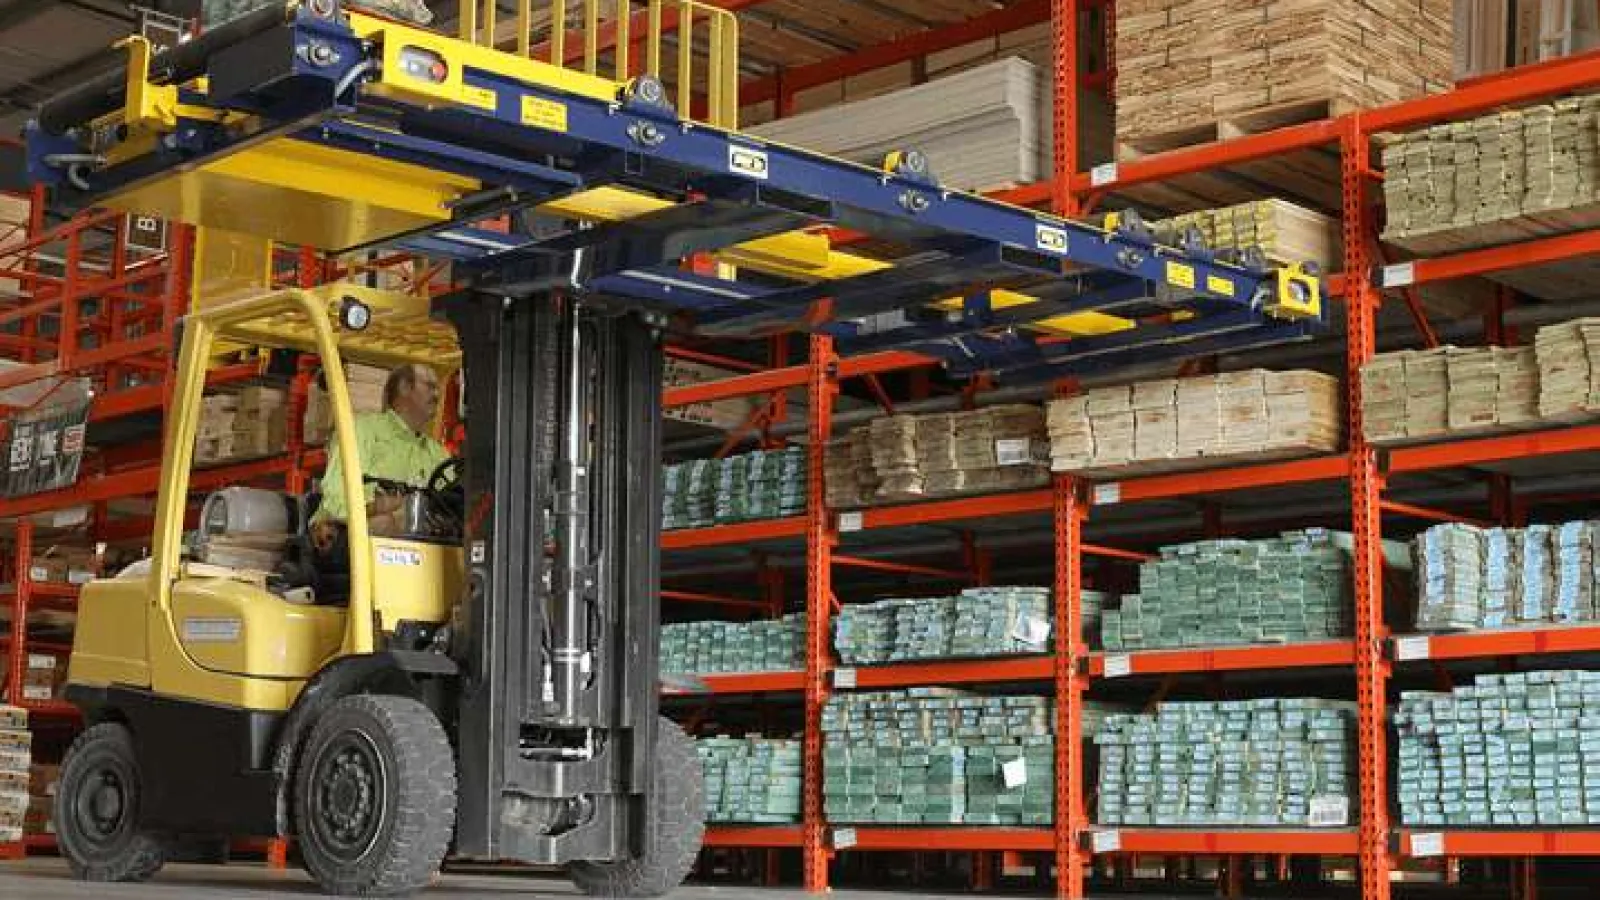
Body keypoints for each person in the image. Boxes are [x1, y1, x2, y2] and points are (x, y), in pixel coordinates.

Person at [311, 363, 448, 548]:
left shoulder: (438, 453)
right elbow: (339, 503)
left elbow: (453, 506)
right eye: (430, 386)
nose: (437, 395)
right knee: (386, 524)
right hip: (343, 547)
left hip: (415, 552)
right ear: (404, 388)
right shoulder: (364, 431)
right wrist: (384, 507)